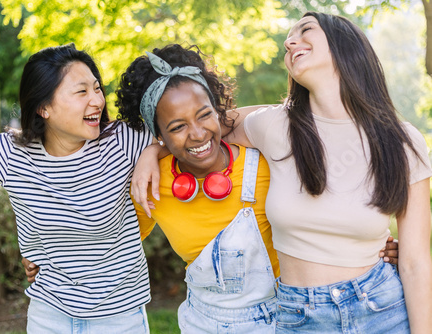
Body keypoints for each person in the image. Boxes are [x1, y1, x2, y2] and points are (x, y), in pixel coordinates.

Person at [23, 43, 400, 333]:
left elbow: (325, 205)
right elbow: (103, 239)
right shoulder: (153, 183)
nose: (198, 133)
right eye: (176, 127)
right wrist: (49, 258)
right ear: (158, 134)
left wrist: (371, 247)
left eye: (205, 115)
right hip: (201, 322)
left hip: (283, 319)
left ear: (217, 109)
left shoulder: (265, 161)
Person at [132, 13, 432, 334]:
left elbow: (415, 263)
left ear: (345, 42)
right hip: (298, 317)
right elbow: (199, 126)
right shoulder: (275, 126)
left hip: (380, 307)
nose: (289, 42)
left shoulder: (401, 140)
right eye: (288, 40)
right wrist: (154, 149)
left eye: (305, 30)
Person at [0, 44, 152, 333]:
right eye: (81, 91)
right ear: (44, 107)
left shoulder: (122, 142)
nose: (97, 100)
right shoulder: (12, 153)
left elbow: (196, 131)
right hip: (49, 316)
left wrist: (153, 152)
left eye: (97, 88)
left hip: (120, 317)